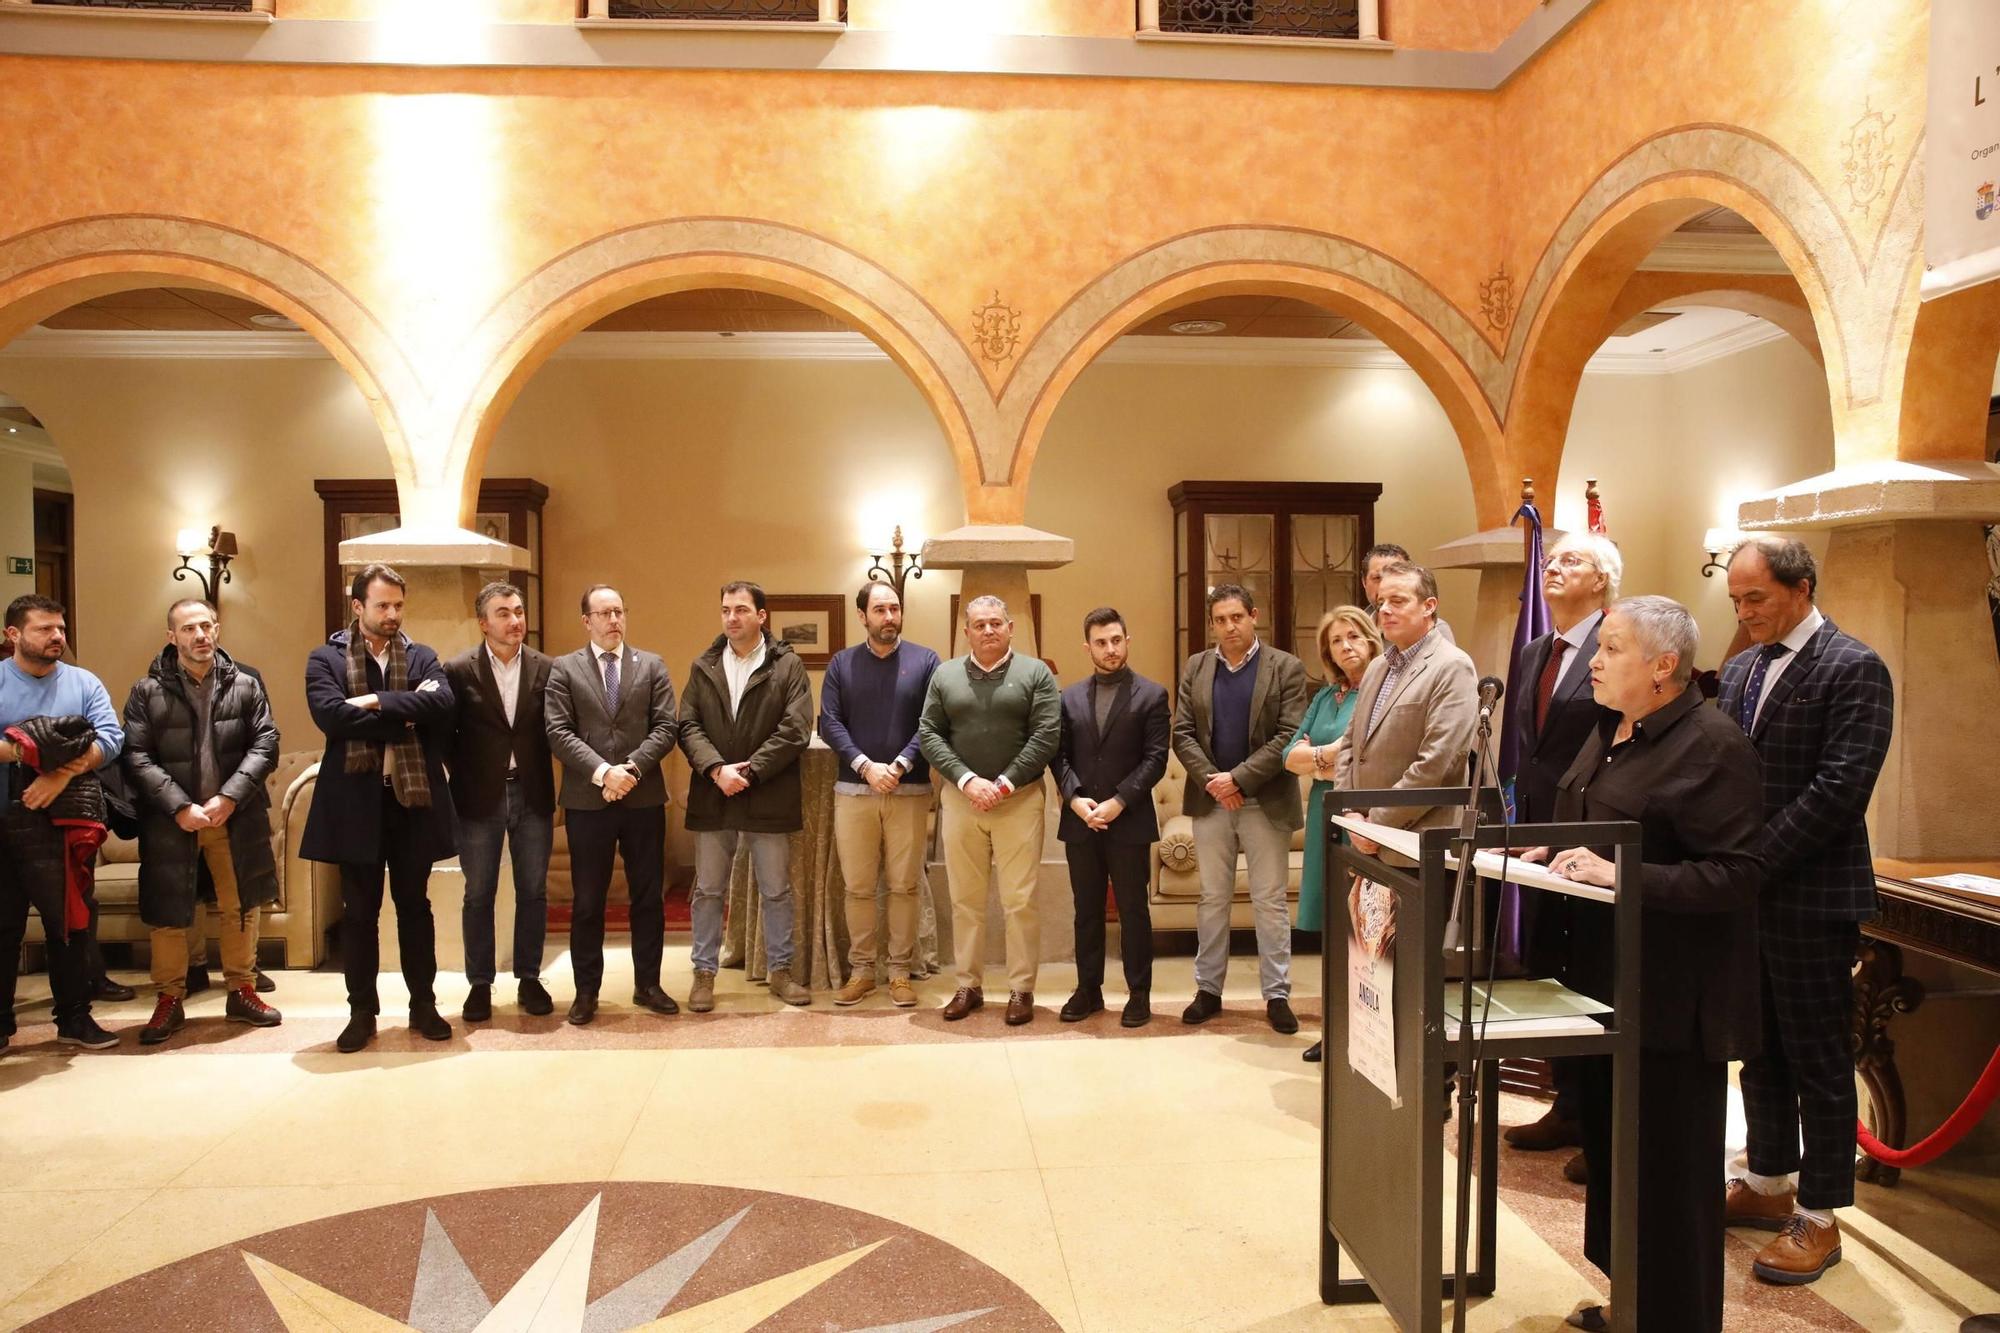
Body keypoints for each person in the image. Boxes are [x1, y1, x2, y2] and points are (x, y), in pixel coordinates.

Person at [1531, 596, 1763, 1333]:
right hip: (1601, 986)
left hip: (1670, 1000)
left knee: (1668, 1176)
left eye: (1612, 648)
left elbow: (1733, 875)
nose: (1592, 661)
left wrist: (1619, 876)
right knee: (1616, 1162)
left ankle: (1677, 1319)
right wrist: (1545, 850)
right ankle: (1629, 1302)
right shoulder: (1612, 730)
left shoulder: (1712, 745)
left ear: (1664, 666)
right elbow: (1591, 823)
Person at [1720, 536, 1893, 1285]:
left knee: (1819, 1059)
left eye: (1755, 597)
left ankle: (1820, 1216)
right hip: (1746, 897)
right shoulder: (1738, 669)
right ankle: (1766, 1180)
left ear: (1801, 587)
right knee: (1759, 1048)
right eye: (1736, 600)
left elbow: (1839, 788)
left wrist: (1752, 859)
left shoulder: (1854, 666)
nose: (1745, 612)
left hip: (1812, 895)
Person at [301, 564, 460, 1054]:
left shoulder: (422, 655)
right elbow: (331, 716)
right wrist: (402, 712)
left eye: (398, 605)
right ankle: (361, 1013)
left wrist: (371, 702)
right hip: (354, 803)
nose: (392, 615)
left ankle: (423, 1006)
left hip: (409, 801)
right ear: (357, 607)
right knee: (360, 914)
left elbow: (443, 705)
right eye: (382, 606)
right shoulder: (324, 658)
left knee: (415, 908)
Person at [1502, 531, 1620, 1174]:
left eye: (1571, 560)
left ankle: (1599, 1119)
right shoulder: (1535, 651)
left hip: (1593, 834)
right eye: (1551, 560)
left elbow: (1612, 738)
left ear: (1601, 579)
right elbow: (1532, 753)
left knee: (1594, 973)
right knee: (1552, 968)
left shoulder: (1618, 642)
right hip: (1539, 832)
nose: (1553, 567)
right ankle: (1567, 1106)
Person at [123, 597, 283, 1044]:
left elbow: (266, 743)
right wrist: (178, 805)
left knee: (240, 906)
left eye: (207, 626)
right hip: (173, 821)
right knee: (169, 911)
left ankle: (242, 990)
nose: (201, 636)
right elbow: (135, 755)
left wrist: (230, 797)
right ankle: (169, 999)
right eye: (189, 629)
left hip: (233, 816)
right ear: (171, 636)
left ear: (217, 629)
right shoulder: (146, 692)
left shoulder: (245, 685)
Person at [1171, 583, 1310, 1034]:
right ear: (1212, 624)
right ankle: (1208, 989)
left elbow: (1288, 733)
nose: (1230, 626)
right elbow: (1183, 731)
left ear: (1254, 615)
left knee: (1269, 901)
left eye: (1237, 617)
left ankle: (1277, 995)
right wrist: (1216, 781)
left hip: (1264, 800)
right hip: (1212, 801)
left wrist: (1240, 778)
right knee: (1212, 899)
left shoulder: (1285, 667)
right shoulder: (1197, 666)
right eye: (1221, 619)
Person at [918, 594, 1061, 1026]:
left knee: (1019, 901)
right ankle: (969, 985)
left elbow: (1046, 736)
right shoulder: (945, 675)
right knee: (966, 901)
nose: (988, 631)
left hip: (1018, 802)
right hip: (962, 802)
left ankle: (1022, 989)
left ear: (1010, 627)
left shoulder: (1035, 673)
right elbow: (929, 732)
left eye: (996, 623)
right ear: (967, 632)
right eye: (979, 625)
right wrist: (966, 779)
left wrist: (1002, 783)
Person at [544, 584, 680, 1026]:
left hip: (642, 799)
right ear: (587, 621)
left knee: (647, 897)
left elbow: (666, 727)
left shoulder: (651, 665)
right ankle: (586, 992)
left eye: (619, 611)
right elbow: (559, 732)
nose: (613, 620)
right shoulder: (564, 669)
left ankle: (649, 985)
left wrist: (631, 771)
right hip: (589, 800)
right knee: (588, 901)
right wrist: (605, 773)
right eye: (603, 613)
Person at [680, 580, 816, 1010]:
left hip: (769, 791)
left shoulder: (786, 665)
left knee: (776, 889)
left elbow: (796, 727)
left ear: (761, 616)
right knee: (708, 890)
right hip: (714, 791)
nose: (731, 617)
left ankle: (781, 972)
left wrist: (751, 771)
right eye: (725, 610)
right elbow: (687, 726)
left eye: (741, 609)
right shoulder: (704, 666)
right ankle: (704, 974)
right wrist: (717, 770)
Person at [0, 594, 123, 1050]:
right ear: (13, 634)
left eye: (60, 628)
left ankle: (74, 1018)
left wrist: (55, 775)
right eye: (44, 629)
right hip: (2, 824)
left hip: (65, 824)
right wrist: (24, 752)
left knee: (70, 926)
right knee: (3, 926)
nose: (57, 637)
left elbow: (111, 740)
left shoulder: (83, 682)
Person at [817, 582, 940, 1009]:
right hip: (854, 791)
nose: (889, 616)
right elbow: (829, 723)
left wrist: (901, 764)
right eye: (880, 610)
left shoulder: (926, 661)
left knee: (905, 886)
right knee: (858, 887)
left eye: (895, 608)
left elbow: (932, 722)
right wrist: (866, 766)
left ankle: (901, 972)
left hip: (909, 790)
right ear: (862, 616)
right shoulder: (842, 664)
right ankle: (863, 971)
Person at [1050, 606, 1170, 1027]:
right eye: (1101, 642)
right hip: (1081, 820)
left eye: (1116, 640)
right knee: (1086, 909)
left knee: (1134, 909)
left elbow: (1155, 760)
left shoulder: (1152, 695)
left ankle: (1139, 993)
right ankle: (1089, 990)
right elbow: (1058, 756)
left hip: (1129, 819)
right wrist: (1075, 798)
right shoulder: (1067, 697)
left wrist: (1119, 801)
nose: (1110, 649)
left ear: (1127, 641)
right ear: (1088, 647)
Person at [443, 581, 556, 1022]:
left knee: (533, 890)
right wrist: (469, 773)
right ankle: (479, 984)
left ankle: (529, 977)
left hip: (532, 792)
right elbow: (445, 736)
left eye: (519, 611)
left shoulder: (547, 668)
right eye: (504, 613)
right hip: (479, 796)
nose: (515, 620)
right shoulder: (457, 670)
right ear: (483, 622)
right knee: (478, 893)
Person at [1283, 604, 1382, 1062]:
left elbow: (1356, 750)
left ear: (1370, 639)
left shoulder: (1381, 692)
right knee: (1332, 931)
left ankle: (1369, 1032)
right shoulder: (1327, 698)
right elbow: (1289, 756)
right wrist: (1328, 757)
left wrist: (1317, 758)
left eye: (1353, 636)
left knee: (1363, 930)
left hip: (1360, 815)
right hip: (1326, 813)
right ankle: (1335, 1029)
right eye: (1336, 641)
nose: (1345, 646)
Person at [1335, 562, 1476, 865]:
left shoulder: (1452, 666)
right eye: (1380, 602)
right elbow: (1350, 744)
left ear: (1429, 606)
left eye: (1397, 601)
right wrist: (1351, 812)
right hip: (1363, 840)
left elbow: (1436, 764)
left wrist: (1377, 824)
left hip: (1418, 846)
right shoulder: (1376, 667)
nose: (1384, 609)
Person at [1362, 543, 1454, 644]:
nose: (1385, 584)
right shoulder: (1354, 626)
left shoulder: (1432, 629)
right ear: (1364, 582)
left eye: (1395, 576)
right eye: (1377, 578)